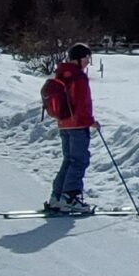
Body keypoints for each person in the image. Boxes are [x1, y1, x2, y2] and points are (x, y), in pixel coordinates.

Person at [40, 44, 97, 215]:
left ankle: (57, 197)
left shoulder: (62, 73)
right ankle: (70, 197)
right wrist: (90, 121)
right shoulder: (78, 76)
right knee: (79, 160)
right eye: (87, 58)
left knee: (69, 160)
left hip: (64, 123)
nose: (88, 62)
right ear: (79, 58)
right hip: (78, 124)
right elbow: (82, 103)